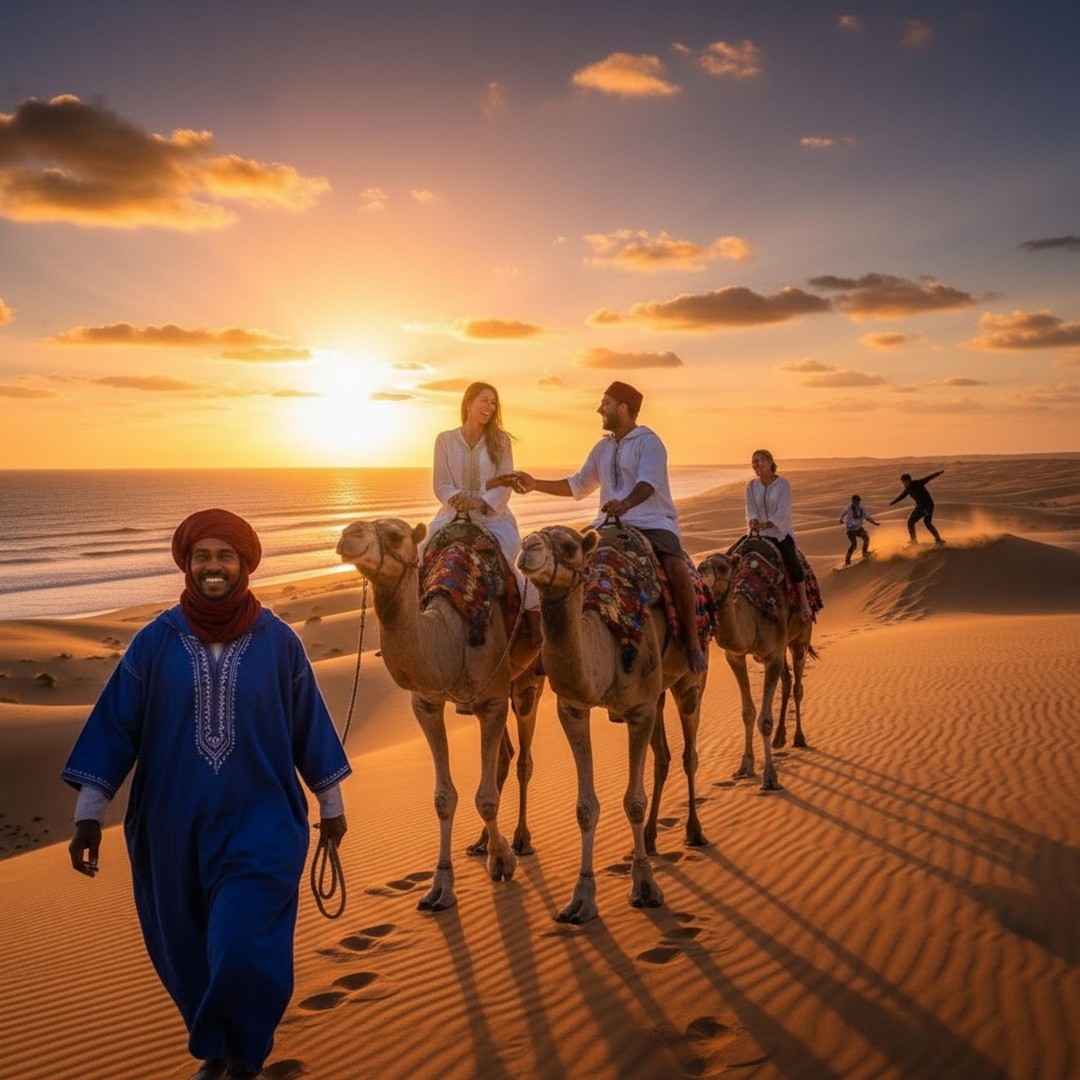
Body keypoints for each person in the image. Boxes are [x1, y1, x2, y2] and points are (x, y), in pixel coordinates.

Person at [63, 509, 351, 1080]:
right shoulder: (155, 642)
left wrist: (332, 805)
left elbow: (309, 726)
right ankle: (217, 1049)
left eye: (225, 556)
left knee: (244, 946)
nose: (212, 566)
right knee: (188, 948)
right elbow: (116, 726)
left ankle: (244, 1056)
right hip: (171, 829)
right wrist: (89, 814)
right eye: (202, 556)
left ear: (245, 564)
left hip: (262, 824)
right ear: (187, 564)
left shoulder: (279, 642)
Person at [492, 380, 708, 674]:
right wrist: (534, 485)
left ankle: (692, 642)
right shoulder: (602, 447)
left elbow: (648, 483)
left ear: (623, 407)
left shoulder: (650, 442)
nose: (599, 409)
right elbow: (578, 485)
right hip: (607, 524)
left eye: (605, 403)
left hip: (652, 522)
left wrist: (626, 504)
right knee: (565, 564)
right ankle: (555, 642)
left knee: (675, 566)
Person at [426, 380, 541, 644]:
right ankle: (412, 626)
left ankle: (534, 622)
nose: (490, 407)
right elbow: (441, 483)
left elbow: (505, 484)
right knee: (420, 554)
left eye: (493, 402)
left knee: (514, 562)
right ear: (468, 403)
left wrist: (478, 502)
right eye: (484, 400)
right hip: (451, 515)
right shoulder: (445, 440)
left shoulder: (500, 441)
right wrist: (458, 500)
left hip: (493, 519)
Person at [745, 449, 813, 621]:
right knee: (733, 557)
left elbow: (783, 510)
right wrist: (753, 521)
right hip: (757, 534)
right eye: (754, 461)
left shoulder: (783, 484)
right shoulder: (751, 486)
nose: (756, 464)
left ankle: (803, 601)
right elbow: (750, 509)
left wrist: (768, 523)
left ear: (770, 462)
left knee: (792, 561)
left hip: (779, 533)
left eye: (760, 460)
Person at [889, 469, 945, 545]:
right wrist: (894, 502)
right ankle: (914, 541)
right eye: (904, 482)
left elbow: (928, 478)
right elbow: (902, 496)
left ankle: (938, 540)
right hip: (920, 507)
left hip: (928, 507)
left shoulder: (918, 483)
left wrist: (938, 473)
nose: (906, 483)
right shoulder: (907, 489)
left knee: (927, 523)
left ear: (910, 480)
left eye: (907, 481)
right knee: (910, 522)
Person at [839, 494, 880, 564]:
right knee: (854, 545)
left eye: (857, 501)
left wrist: (874, 522)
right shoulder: (849, 507)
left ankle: (864, 552)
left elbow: (866, 516)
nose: (855, 502)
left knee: (866, 539)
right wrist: (841, 519)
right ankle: (847, 560)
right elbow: (843, 513)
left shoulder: (861, 507)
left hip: (858, 528)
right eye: (854, 501)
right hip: (850, 529)